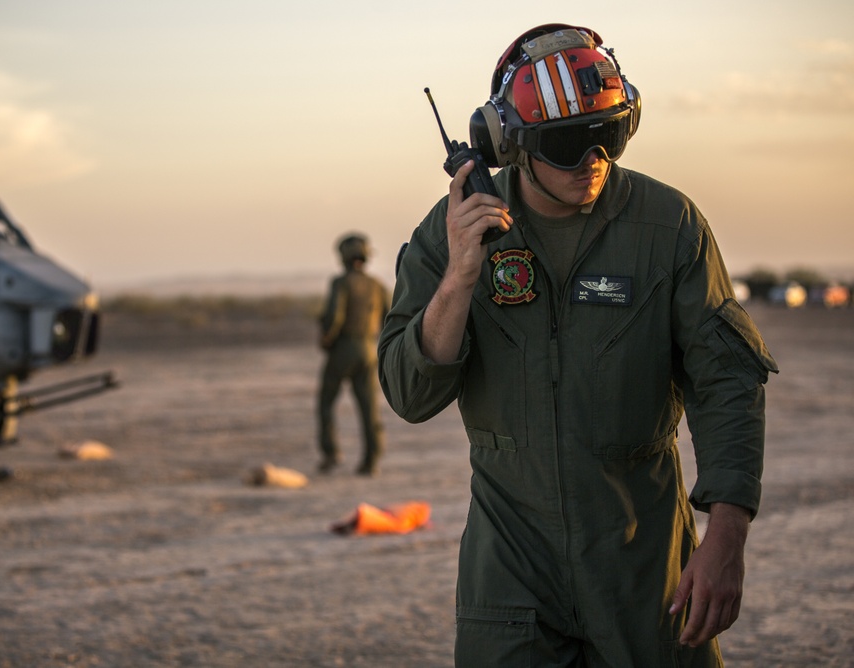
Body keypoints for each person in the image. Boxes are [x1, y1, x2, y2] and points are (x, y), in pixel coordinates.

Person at [377, 24, 778, 666]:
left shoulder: (667, 225)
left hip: (643, 559)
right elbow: (408, 394)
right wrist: (459, 277)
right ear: (510, 144)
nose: (594, 157)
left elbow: (725, 381)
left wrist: (727, 533)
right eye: (568, 141)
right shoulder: (452, 230)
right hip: (509, 563)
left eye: (610, 133)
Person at [317, 233, 391, 476]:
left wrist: (327, 336)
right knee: (369, 408)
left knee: (326, 402)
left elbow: (334, 316)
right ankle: (372, 461)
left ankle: (331, 453)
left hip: (343, 348)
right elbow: (391, 318)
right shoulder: (378, 285)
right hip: (369, 350)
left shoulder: (341, 283)